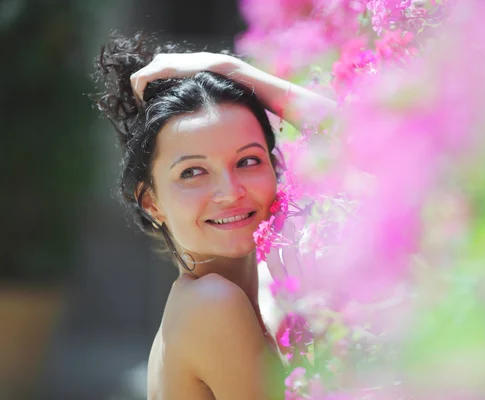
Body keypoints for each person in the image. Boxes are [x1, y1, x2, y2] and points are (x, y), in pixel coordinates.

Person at [93, 33, 335, 400]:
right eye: (192, 172)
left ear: (275, 168)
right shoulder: (212, 305)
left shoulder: (258, 297)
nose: (230, 192)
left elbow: (373, 143)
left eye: (248, 161)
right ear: (151, 201)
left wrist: (231, 69)